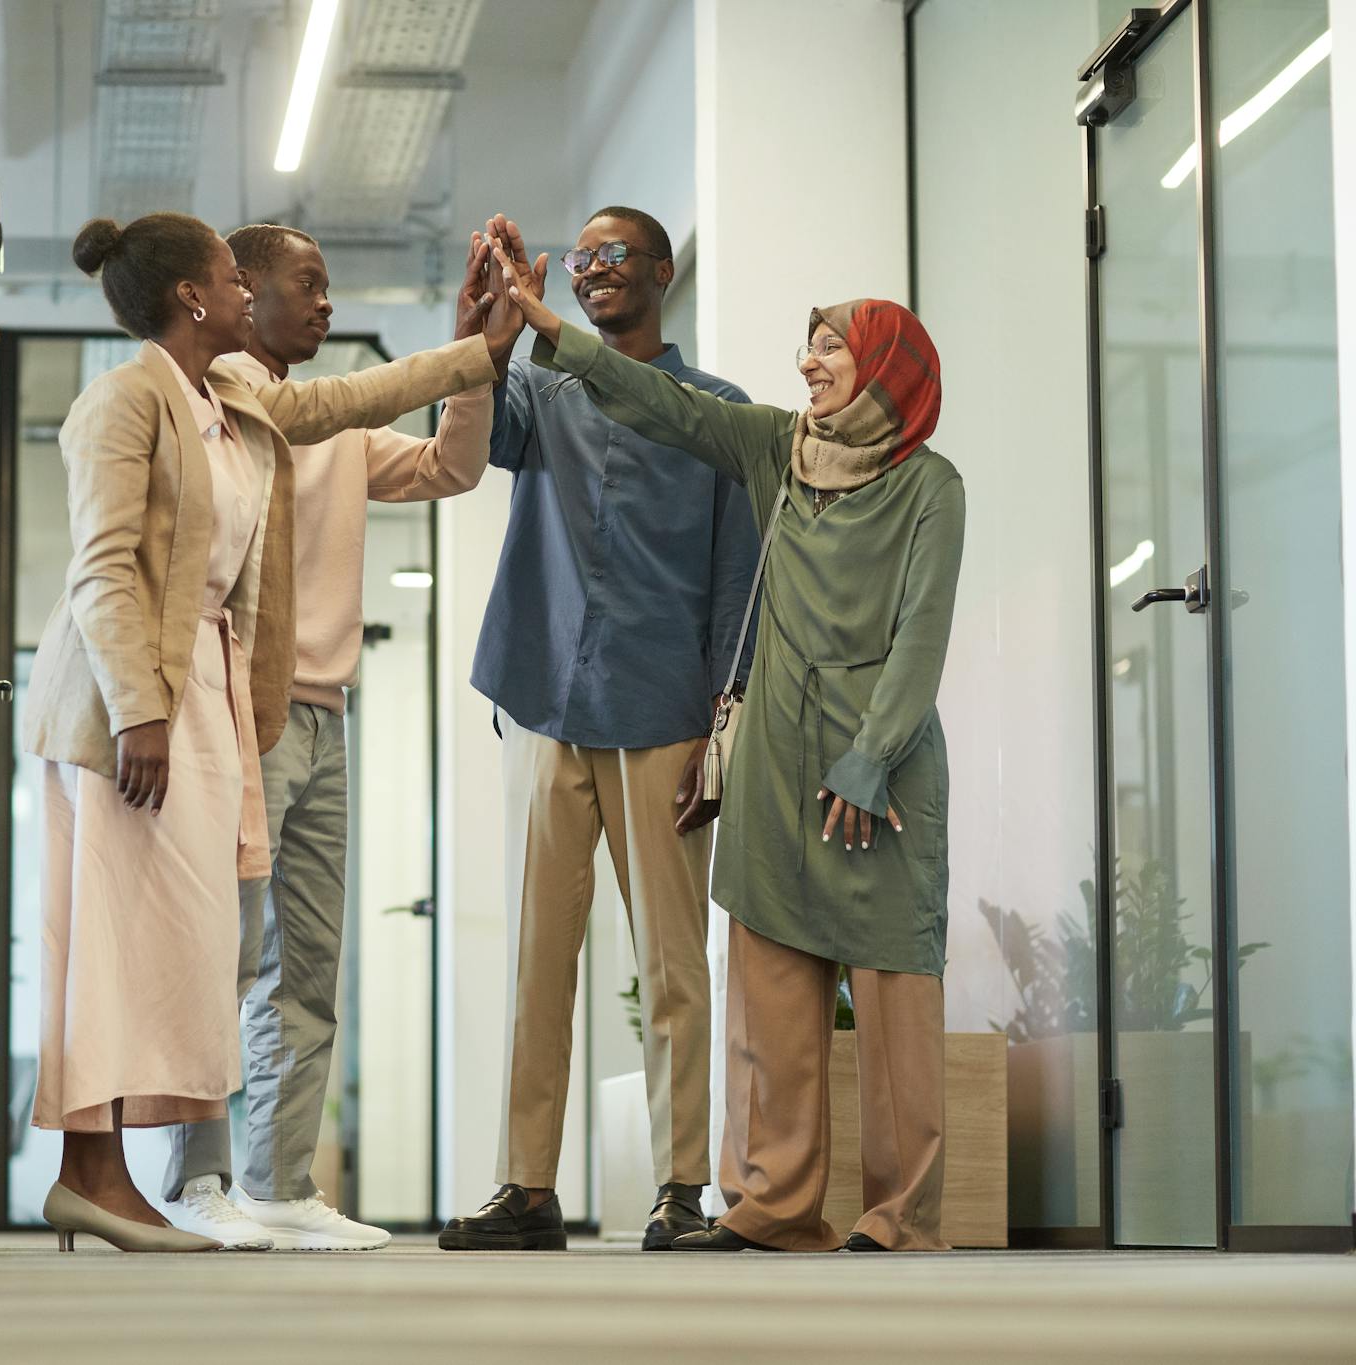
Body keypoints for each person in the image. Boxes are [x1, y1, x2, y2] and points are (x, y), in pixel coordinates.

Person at [26, 210, 514, 1253]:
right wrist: (139, 707)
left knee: (248, 955)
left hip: (255, 705)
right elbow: (107, 567)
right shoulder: (160, 404)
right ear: (211, 293)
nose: (306, 301)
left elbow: (407, 441)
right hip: (176, 705)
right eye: (276, 283)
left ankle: (233, 1181)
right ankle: (149, 1177)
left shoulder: (246, 407)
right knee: (171, 945)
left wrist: (474, 357)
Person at [494, 245, 963, 1254]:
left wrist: (870, 755)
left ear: (884, 365)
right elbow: (655, 402)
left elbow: (920, 637)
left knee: (892, 1009)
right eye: (806, 346)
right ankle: (771, 1208)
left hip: (877, 780)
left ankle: (899, 1219)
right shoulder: (772, 451)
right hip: (776, 767)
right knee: (772, 1008)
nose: (806, 363)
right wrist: (546, 329)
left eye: (830, 346)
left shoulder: (929, 486)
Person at [158, 224, 500, 1252]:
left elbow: (450, 467)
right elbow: (321, 409)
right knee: (225, 957)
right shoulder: (223, 392)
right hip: (239, 713)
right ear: (237, 292)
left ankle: (275, 1183)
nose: (324, 305)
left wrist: (471, 371)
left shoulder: (340, 430)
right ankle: (193, 1181)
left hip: (325, 719)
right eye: (304, 285)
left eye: (327, 287)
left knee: (305, 969)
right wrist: (467, 347)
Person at [439, 209, 758, 1253]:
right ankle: (525, 1186)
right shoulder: (538, 392)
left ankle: (679, 1187)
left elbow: (737, 580)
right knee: (537, 956)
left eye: (612, 255)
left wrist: (725, 716)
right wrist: (481, 337)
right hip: (542, 697)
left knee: (671, 962)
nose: (589, 271)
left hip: (663, 706)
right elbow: (468, 442)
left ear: (662, 273)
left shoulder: (712, 410)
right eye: (577, 261)